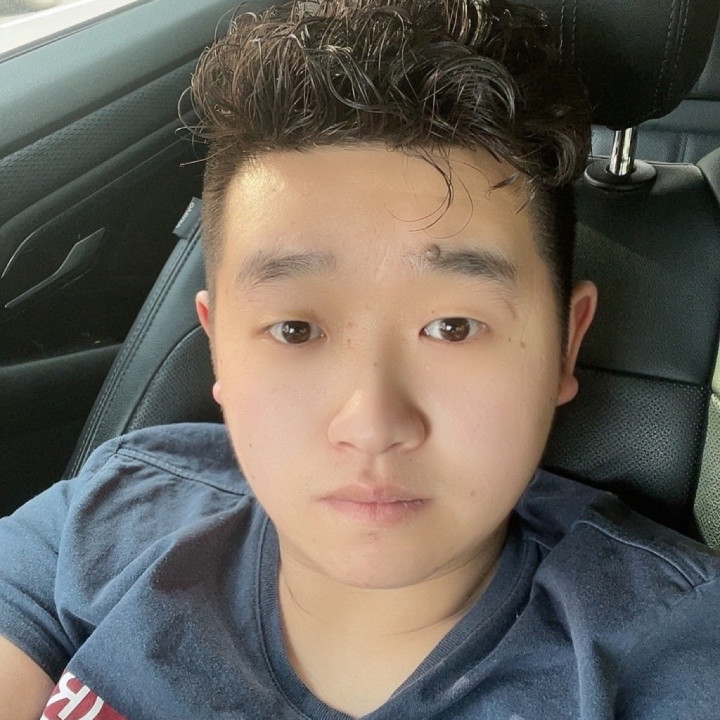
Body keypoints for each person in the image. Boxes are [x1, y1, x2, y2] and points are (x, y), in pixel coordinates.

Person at [1, 1, 719, 718]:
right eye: (294, 330)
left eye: (453, 327)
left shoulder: (674, 653)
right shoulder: (105, 515)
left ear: (566, 344)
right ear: (217, 344)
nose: (372, 425)